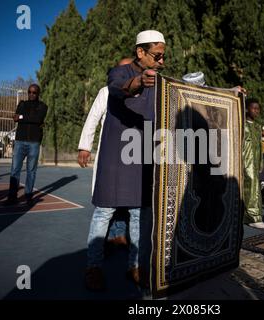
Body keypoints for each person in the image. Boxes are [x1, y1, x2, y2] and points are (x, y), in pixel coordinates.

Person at [85, 30, 166, 291]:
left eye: (164, 57)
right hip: (114, 156)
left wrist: (229, 93)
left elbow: (188, 91)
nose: (162, 61)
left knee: (138, 215)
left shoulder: (161, 81)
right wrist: (139, 82)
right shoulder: (119, 73)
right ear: (140, 52)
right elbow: (119, 89)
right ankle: (93, 267)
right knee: (104, 212)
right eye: (157, 55)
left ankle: (135, 266)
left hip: (141, 155)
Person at [78, 57, 134, 248]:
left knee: (127, 198)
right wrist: (85, 147)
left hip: (133, 154)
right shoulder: (106, 92)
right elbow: (93, 118)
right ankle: (107, 240)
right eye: (122, 69)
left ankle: (119, 234)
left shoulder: (141, 93)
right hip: (110, 154)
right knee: (108, 198)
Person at [4, 84, 48, 206]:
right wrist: (24, 118)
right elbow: (15, 118)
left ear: (38, 93)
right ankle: (12, 197)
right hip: (19, 142)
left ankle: (28, 196)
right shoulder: (22, 104)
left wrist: (22, 117)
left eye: (34, 92)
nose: (31, 94)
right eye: (29, 92)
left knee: (31, 171)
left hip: (34, 143)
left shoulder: (43, 106)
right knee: (14, 170)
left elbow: (38, 119)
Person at [243, 100, 264, 229]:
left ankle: (252, 216)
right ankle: (252, 217)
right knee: (250, 187)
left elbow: (259, 145)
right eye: (253, 108)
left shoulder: (258, 126)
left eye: (258, 109)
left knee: (255, 188)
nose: (256, 111)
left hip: (255, 162)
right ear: (247, 109)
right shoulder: (242, 124)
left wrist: (261, 162)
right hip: (245, 161)